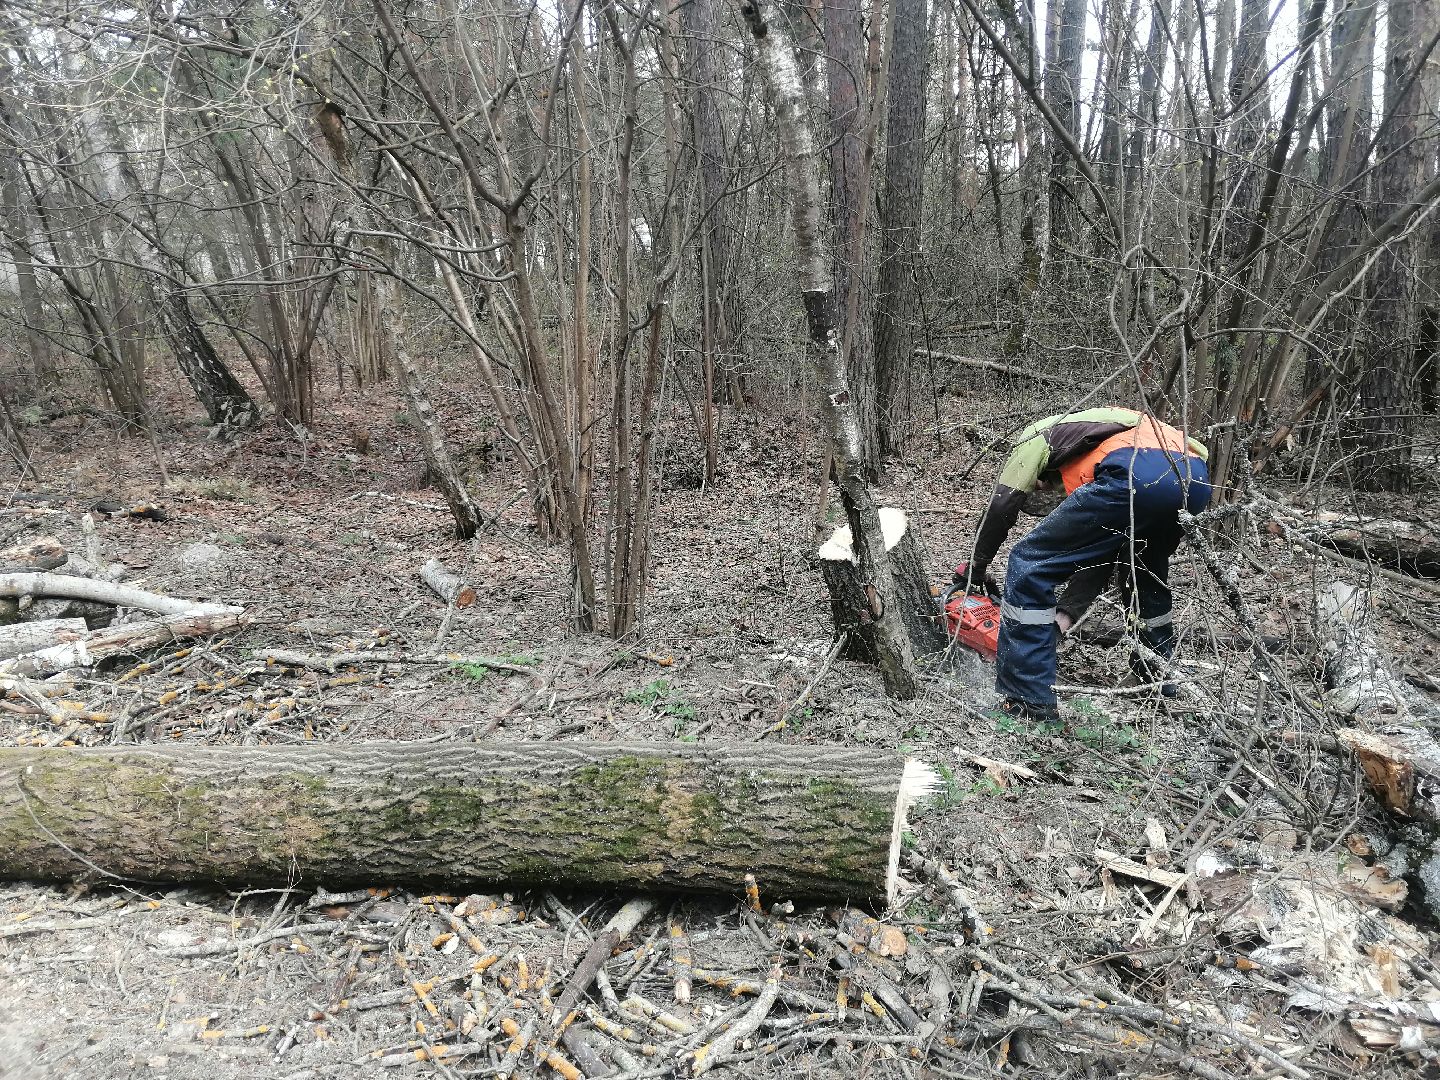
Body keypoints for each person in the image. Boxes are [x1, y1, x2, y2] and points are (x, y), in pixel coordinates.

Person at [954, 406, 1212, 724]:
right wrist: (1063, 619)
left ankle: (1027, 702)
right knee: (1144, 575)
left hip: (1136, 476)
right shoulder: (1105, 433)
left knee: (1029, 562)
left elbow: (1002, 506)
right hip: (1194, 480)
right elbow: (1100, 556)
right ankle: (1157, 684)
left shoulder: (1036, 435)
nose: (1047, 491)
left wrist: (975, 570)